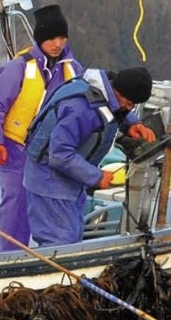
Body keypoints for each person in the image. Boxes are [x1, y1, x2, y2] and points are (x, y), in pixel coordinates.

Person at [0, 3, 80, 252]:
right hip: (14, 147)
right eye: (52, 38)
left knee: (52, 205)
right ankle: (9, 258)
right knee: (15, 205)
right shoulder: (19, 66)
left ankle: (51, 256)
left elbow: (88, 99)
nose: (58, 44)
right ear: (40, 39)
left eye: (62, 37)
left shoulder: (73, 68)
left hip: (49, 151)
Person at [22, 64, 152, 247]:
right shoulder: (80, 109)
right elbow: (59, 154)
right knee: (60, 243)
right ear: (118, 92)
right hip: (49, 183)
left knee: (73, 238)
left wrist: (131, 123)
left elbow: (110, 110)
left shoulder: (101, 89)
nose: (128, 109)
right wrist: (96, 176)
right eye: (129, 104)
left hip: (71, 181)